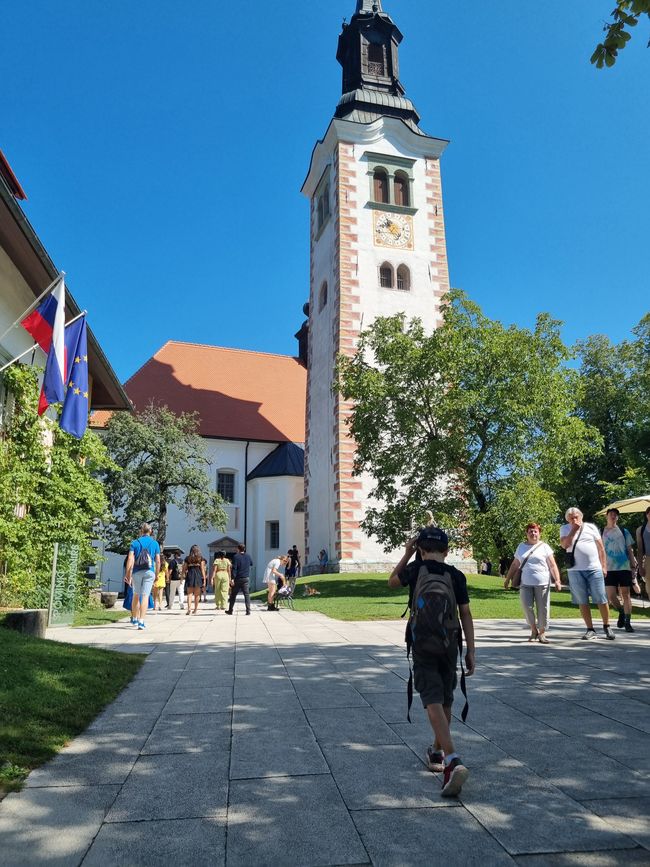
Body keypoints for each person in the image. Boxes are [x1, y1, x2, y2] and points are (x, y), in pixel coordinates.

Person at [388, 526, 476, 798]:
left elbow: (392, 581)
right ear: (447, 551)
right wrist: (471, 650)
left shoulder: (415, 570)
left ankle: (452, 759)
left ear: (421, 550)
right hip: (451, 644)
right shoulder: (456, 575)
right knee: (446, 698)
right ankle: (437, 751)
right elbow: (466, 614)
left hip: (423, 643)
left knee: (432, 699)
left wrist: (406, 554)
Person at [560, 507, 614, 640]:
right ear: (567, 519)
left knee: (601, 598)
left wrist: (604, 566)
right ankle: (590, 629)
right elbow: (565, 545)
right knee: (582, 600)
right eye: (571, 517)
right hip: (575, 570)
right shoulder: (565, 529)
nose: (574, 519)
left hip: (594, 568)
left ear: (581, 516)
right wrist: (573, 530)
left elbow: (601, 549)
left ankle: (607, 626)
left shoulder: (591, 528)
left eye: (576, 516)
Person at [504, 523, 562, 643]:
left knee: (543, 609)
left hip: (542, 583)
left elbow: (552, 564)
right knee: (527, 606)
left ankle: (542, 633)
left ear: (539, 533)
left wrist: (557, 580)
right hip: (525, 583)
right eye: (530, 531)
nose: (533, 533)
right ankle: (533, 630)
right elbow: (515, 564)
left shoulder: (545, 547)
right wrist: (507, 579)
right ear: (527, 533)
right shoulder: (521, 546)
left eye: (535, 531)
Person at [602, 508, 639, 633]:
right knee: (611, 596)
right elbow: (599, 551)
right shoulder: (601, 532)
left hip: (624, 567)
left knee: (626, 595)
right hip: (608, 568)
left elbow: (630, 549)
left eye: (615, 515)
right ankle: (621, 612)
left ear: (617, 518)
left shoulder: (624, 531)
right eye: (611, 514)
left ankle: (628, 622)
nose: (613, 516)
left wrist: (633, 563)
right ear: (606, 516)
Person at [124, 523, 160, 631]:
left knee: (136, 595)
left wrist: (127, 574)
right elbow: (158, 560)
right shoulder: (155, 543)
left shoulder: (135, 543)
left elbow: (130, 559)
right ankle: (141, 621)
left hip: (136, 572)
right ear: (151, 531)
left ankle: (134, 618)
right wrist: (157, 574)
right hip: (149, 571)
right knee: (145, 596)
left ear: (141, 531)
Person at [226, 544, 253, 615]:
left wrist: (232, 579)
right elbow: (251, 563)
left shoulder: (236, 556)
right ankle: (248, 610)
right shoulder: (248, 556)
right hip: (246, 578)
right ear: (244, 549)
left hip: (238, 578)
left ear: (238, 549)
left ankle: (230, 610)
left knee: (233, 595)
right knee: (246, 595)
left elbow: (234, 568)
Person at [182, 545, 206, 616]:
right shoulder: (200, 558)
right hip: (198, 576)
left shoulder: (187, 558)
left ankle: (189, 609)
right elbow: (202, 569)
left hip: (190, 575)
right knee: (197, 594)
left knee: (189, 594)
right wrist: (204, 578)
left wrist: (182, 576)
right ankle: (195, 609)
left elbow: (184, 568)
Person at [635, 506, 650, 600]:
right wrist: (640, 567)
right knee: (648, 584)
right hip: (648, 559)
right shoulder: (640, 530)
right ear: (647, 514)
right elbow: (640, 549)